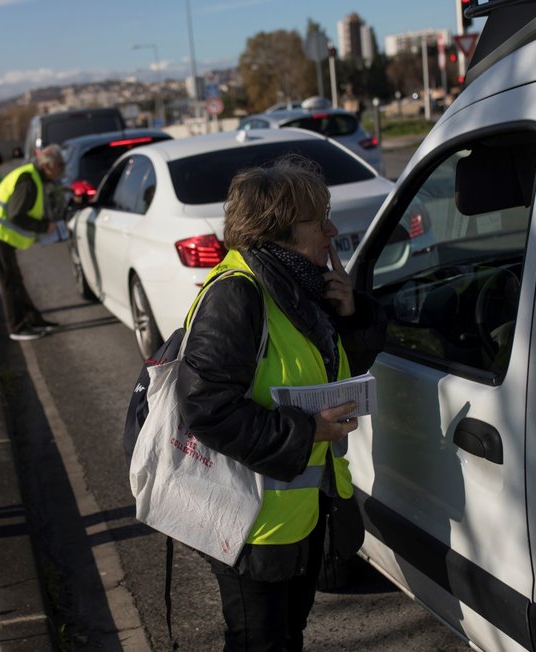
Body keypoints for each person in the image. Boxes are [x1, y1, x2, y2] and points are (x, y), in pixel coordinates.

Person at [175, 155, 385, 650]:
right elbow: (207, 408)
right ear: (280, 231)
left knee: (286, 636)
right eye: (319, 221)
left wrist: (350, 315)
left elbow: (326, 371)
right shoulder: (238, 294)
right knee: (259, 642)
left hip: (298, 513)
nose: (332, 230)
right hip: (251, 523)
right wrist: (307, 431)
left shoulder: (297, 286)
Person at [0, 145, 67, 341]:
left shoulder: (33, 176)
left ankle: (32, 319)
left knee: (15, 279)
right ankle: (17, 327)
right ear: (48, 166)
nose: (63, 169)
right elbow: (17, 215)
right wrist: (43, 227)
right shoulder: (29, 180)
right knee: (10, 281)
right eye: (61, 165)